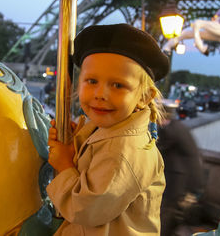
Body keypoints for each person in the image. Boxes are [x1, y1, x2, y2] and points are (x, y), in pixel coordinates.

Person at [46, 23, 170, 235]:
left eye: (118, 85)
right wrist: (75, 141)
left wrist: (65, 164)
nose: (100, 93)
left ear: (144, 97)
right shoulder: (104, 130)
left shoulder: (123, 152)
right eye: (92, 81)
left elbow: (84, 209)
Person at [157, 105, 205, 235]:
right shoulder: (178, 126)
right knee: (171, 213)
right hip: (187, 178)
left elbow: (157, 149)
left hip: (179, 180)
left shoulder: (169, 130)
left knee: (166, 212)